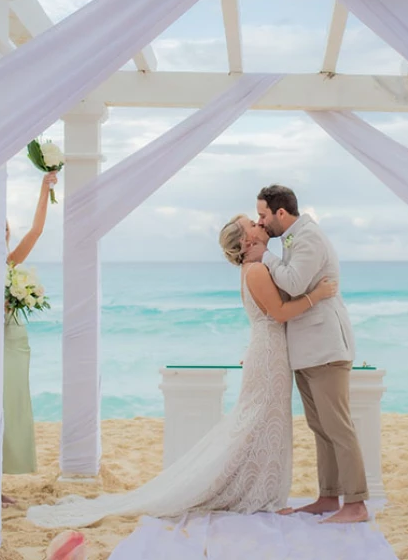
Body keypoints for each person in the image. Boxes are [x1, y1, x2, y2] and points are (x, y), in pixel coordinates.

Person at [27, 214, 337, 528]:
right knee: (260, 423)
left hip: (269, 352)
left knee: (267, 423)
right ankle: (259, 497)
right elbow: (280, 313)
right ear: (246, 242)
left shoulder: (257, 267)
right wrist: (318, 295)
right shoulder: (255, 270)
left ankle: (263, 493)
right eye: (252, 225)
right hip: (269, 354)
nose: (259, 225)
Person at [247, 184, 369, 524]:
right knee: (321, 427)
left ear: (280, 213)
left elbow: (295, 283)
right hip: (308, 351)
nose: (261, 222)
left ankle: (356, 504)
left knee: (338, 427)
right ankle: (329, 497)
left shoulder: (308, 238)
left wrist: (264, 257)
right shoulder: (291, 241)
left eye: (263, 215)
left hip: (326, 348)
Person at [2, 171, 58, 505]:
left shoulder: (10, 263)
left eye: (5, 227)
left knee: (14, 408)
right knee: (0, 409)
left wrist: (43, 188)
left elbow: (36, 230)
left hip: (16, 341)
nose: (5, 231)